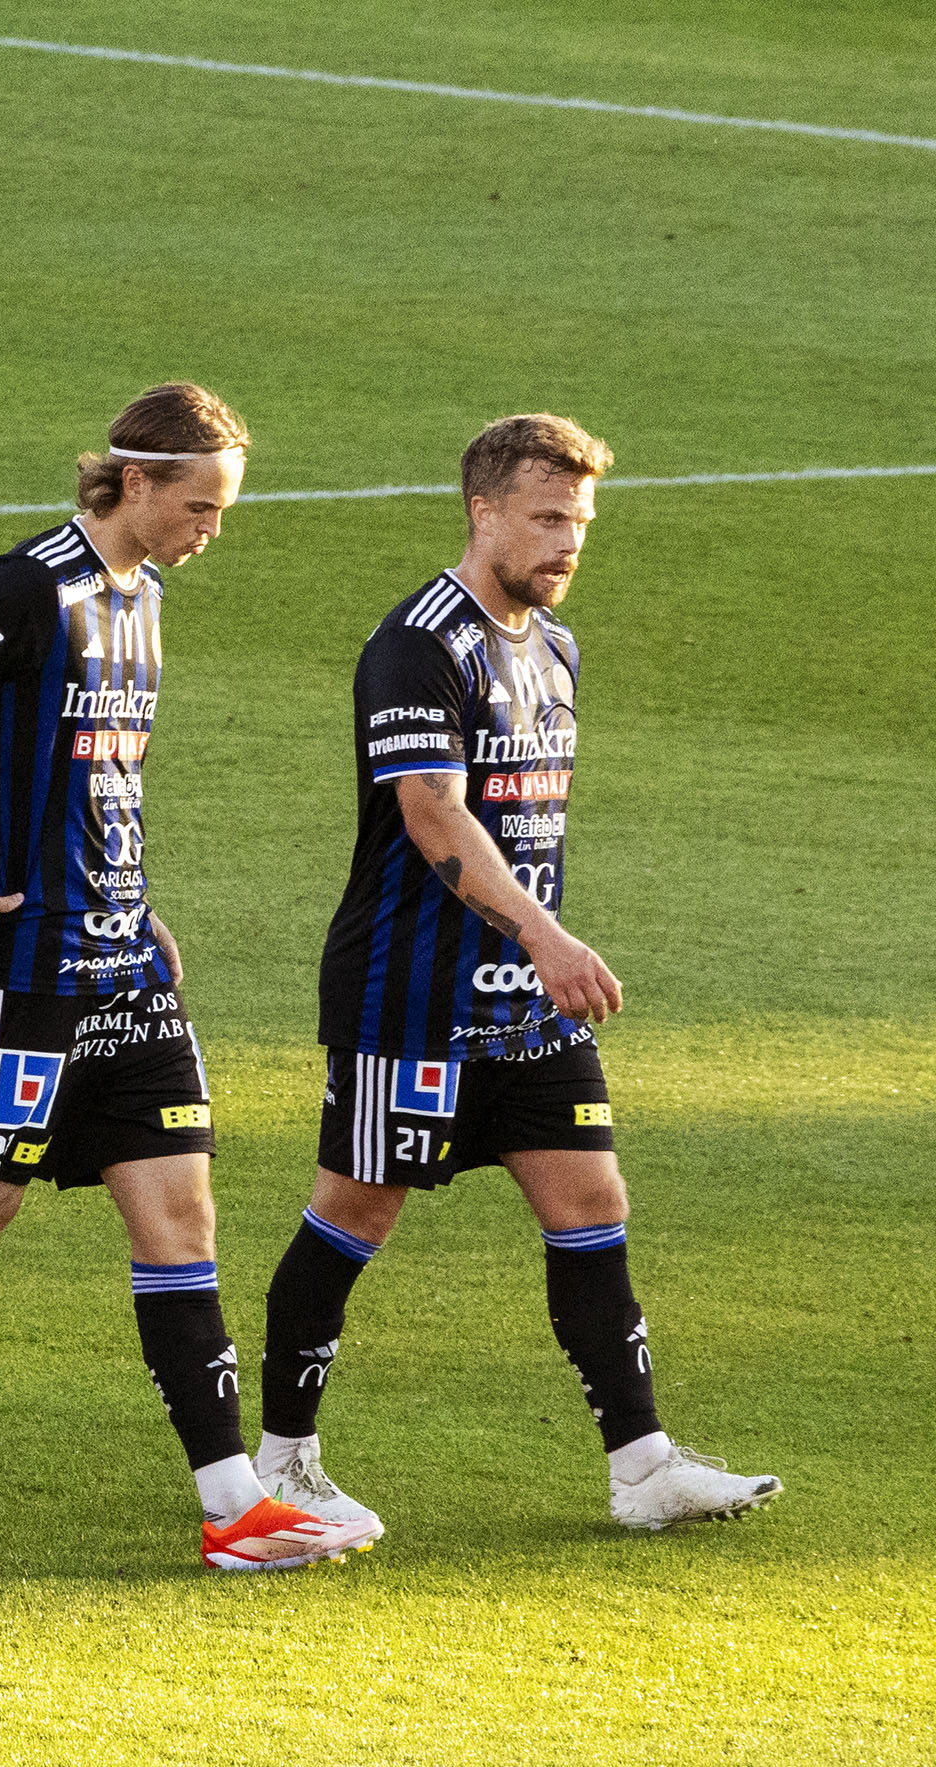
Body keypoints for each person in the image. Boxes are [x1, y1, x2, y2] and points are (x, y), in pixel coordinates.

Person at [0, 383, 382, 1573]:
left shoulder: (141, 597)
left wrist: (142, 912)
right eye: (198, 504)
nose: (213, 528)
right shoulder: (30, 585)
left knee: (180, 1207)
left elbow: (103, 781)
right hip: (28, 969)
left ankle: (232, 1504)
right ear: (134, 483)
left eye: (223, 507)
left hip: (123, 963)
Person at [256, 415, 783, 1535]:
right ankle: (281, 1461)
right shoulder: (417, 645)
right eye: (546, 519)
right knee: (354, 1211)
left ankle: (640, 1465)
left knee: (589, 1200)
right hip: (409, 999)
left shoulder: (554, 649)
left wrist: (535, 953)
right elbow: (431, 813)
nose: (566, 544)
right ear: (481, 509)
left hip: (524, 1009)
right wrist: (547, 935)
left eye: (578, 524)